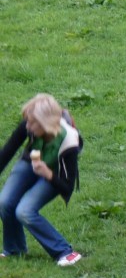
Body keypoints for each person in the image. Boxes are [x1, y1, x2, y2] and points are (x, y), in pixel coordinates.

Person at [0, 94, 82, 266]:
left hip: (55, 174)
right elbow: (8, 151)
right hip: (31, 162)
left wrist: (48, 174)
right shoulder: (30, 125)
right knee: (5, 202)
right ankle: (14, 249)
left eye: (32, 123)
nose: (27, 126)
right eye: (27, 122)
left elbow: (67, 186)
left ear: (45, 123)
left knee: (25, 211)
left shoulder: (69, 141)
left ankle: (65, 252)